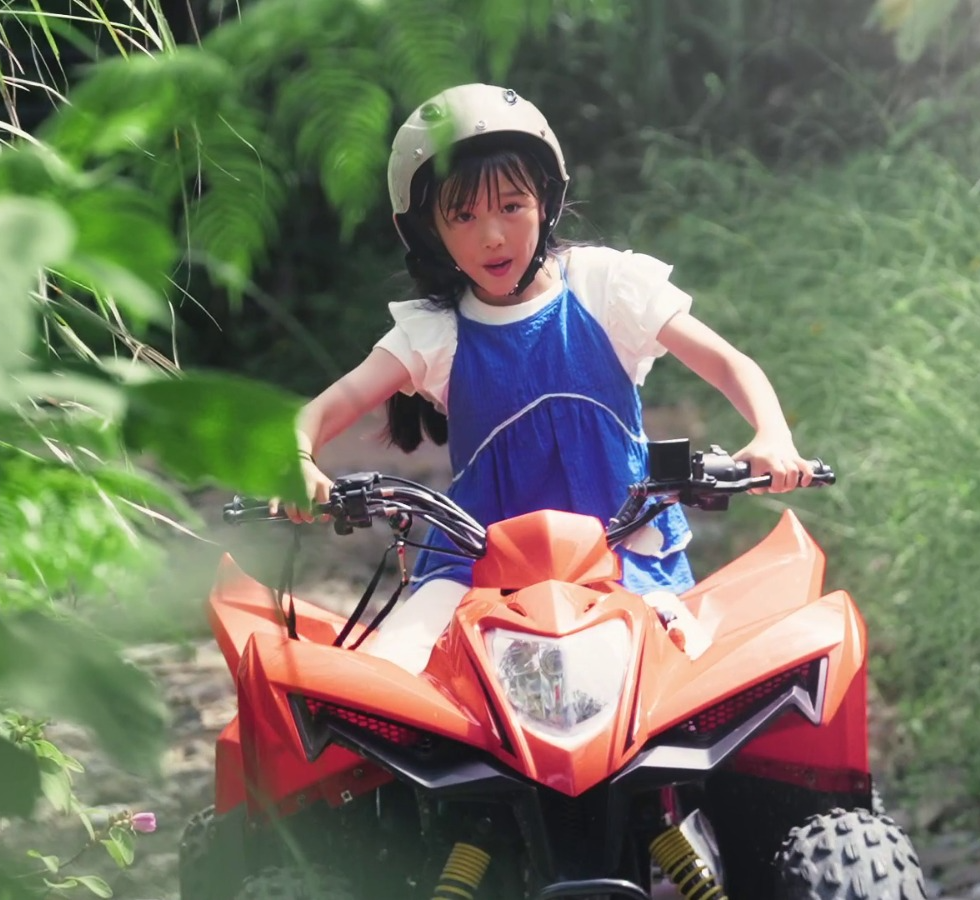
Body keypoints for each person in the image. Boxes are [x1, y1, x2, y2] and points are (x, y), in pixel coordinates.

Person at [283, 83, 814, 674]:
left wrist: (772, 435)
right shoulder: (433, 333)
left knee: (705, 683)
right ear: (432, 232)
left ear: (546, 203)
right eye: (464, 215)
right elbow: (325, 409)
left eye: (511, 206)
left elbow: (727, 362)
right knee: (388, 679)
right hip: (474, 570)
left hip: (623, 558)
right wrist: (297, 459)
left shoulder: (606, 286)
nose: (492, 235)